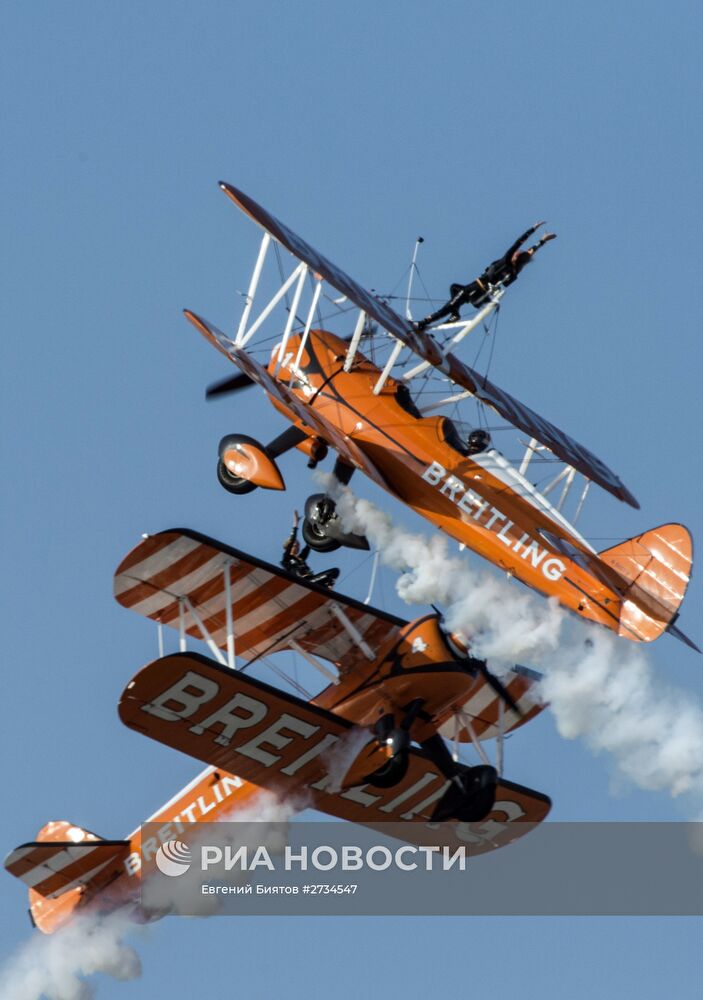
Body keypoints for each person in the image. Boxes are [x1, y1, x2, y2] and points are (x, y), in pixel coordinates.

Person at [416, 223, 557, 329]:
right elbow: (529, 253)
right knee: (454, 288)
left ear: (516, 257)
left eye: (517, 254)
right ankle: (454, 314)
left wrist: (532, 229)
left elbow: (517, 243)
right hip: (480, 295)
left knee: (450, 305)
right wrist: (542, 241)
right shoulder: (515, 271)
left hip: (475, 289)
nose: (516, 252)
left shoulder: (507, 261)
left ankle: (424, 322)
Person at [281, 511, 339, 588]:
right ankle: (326, 590)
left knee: (335, 571)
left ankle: (327, 590)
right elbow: (292, 541)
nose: (297, 546)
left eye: (298, 545)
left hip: (312, 581)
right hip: (303, 583)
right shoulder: (287, 558)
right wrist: (295, 524)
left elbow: (309, 544)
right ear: (288, 546)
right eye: (295, 544)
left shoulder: (301, 558)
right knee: (331, 574)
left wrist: (317, 527)